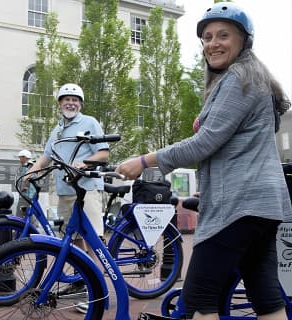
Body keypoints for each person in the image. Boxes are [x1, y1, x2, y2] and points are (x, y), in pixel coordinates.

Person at [116, 2, 292, 320]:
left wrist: (143, 161)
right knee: (266, 297)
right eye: (207, 37)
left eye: (223, 35)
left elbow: (204, 143)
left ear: (244, 41)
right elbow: (237, 150)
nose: (213, 43)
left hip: (239, 207)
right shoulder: (252, 78)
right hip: (262, 207)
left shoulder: (239, 79)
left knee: (198, 299)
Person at [25, 83, 109, 314]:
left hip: (86, 188)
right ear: (60, 104)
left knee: (93, 240)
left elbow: (103, 153)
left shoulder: (89, 122)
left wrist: (85, 162)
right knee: (75, 239)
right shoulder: (58, 129)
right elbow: (46, 156)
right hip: (65, 191)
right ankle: (83, 281)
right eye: (66, 99)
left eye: (75, 99)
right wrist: (31, 171)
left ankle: (98, 293)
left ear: (80, 104)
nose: (70, 103)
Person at [16, 149, 36, 217]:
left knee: (20, 214)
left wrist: (23, 187)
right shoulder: (33, 165)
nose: (20, 159)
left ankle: (18, 226)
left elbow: (27, 177)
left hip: (26, 195)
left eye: (21, 157)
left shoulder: (27, 166)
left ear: (25, 157)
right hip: (31, 195)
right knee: (28, 214)